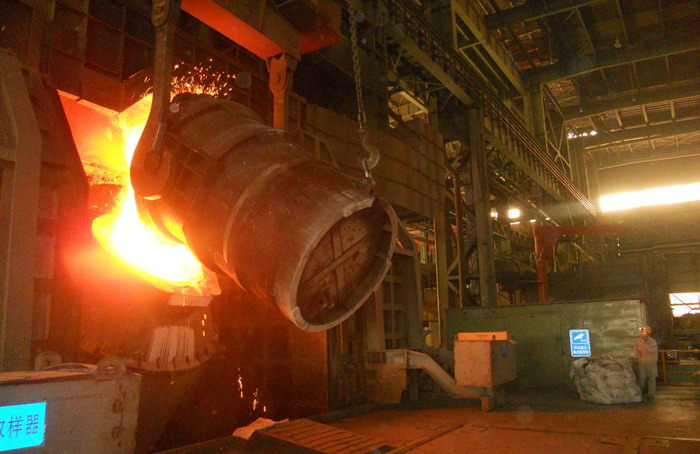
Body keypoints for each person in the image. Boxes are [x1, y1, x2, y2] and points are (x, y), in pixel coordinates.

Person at [633, 325, 658, 400]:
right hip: (642, 363)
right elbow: (635, 349)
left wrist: (645, 344)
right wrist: (637, 354)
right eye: (642, 332)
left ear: (648, 333)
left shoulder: (652, 342)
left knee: (651, 379)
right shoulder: (638, 341)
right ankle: (640, 394)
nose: (643, 333)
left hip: (651, 363)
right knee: (641, 379)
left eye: (645, 332)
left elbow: (651, 350)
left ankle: (651, 395)